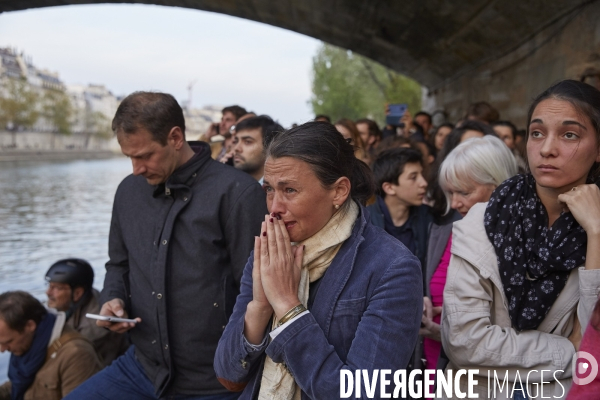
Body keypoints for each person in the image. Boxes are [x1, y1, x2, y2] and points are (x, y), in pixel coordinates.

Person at [64, 92, 267, 399]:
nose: (136, 169)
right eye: (129, 157)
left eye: (144, 156)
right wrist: (113, 298)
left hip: (214, 381)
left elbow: (256, 291)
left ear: (175, 137)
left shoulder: (239, 194)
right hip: (142, 367)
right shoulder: (128, 192)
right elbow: (118, 264)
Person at [214, 121, 423, 399]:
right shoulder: (271, 251)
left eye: (289, 190)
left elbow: (362, 393)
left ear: (338, 191)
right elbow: (228, 374)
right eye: (269, 190)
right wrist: (261, 305)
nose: (275, 207)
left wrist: (288, 308)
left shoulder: (392, 268)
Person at [441, 80, 600, 399]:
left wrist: (596, 234)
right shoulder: (483, 219)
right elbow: (464, 341)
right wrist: (567, 352)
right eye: (537, 133)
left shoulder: (596, 229)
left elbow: (594, 344)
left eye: (569, 134)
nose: (546, 149)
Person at [419, 136, 518, 378]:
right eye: (450, 193)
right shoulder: (444, 233)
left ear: (498, 185)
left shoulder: (518, 245)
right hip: (436, 370)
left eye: (463, 192)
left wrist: (443, 332)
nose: (454, 203)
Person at [0, 291, 101, 400]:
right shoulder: (27, 344)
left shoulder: (76, 355)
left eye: (8, 342)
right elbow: (19, 383)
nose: (2, 349)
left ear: (30, 326)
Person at [45, 258, 128, 367]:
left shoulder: (93, 329)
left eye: (56, 288)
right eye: (49, 285)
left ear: (78, 293)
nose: (48, 292)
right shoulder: (86, 297)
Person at [367, 147, 433, 268]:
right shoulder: (364, 222)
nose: (423, 183)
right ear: (389, 188)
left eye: (421, 175)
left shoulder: (430, 219)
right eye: (413, 177)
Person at [232, 115, 283, 183]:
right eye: (236, 141)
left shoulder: (276, 190)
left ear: (268, 148)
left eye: (247, 142)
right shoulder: (232, 183)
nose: (236, 148)